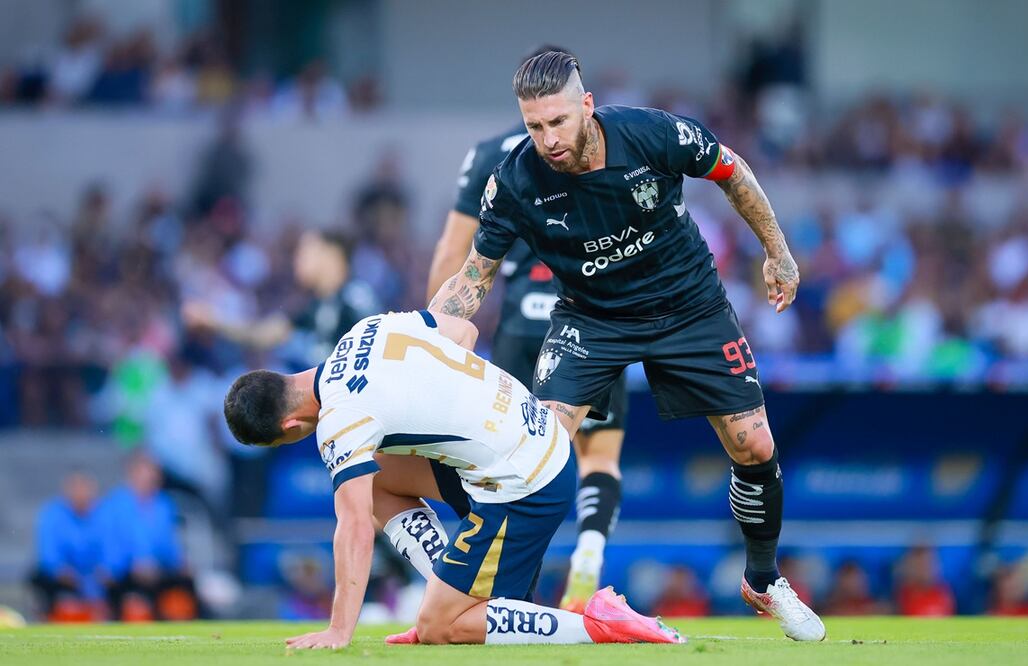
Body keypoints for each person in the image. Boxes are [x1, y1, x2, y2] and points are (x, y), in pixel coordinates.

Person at [428, 51, 824, 641]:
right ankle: (506, 597)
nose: (548, 139)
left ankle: (763, 580)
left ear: (586, 105)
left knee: (753, 442)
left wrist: (778, 251)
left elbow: (732, 171)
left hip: (689, 305)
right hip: (592, 320)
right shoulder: (515, 180)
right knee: (537, 455)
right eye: (535, 126)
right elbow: (474, 277)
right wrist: (418, 339)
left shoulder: (651, 132)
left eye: (558, 121)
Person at [223, 309, 683, 648]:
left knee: (440, 628)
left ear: (286, 429)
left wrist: (339, 630)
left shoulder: (339, 421)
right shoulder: (365, 331)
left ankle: (597, 622)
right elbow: (464, 329)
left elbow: (356, 526)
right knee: (377, 476)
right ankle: (449, 590)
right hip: (531, 437)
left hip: (525, 485)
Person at [428, 45, 626, 612]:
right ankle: (588, 554)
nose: (548, 134)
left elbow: (454, 253)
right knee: (600, 457)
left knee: (517, 465)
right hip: (594, 322)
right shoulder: (608, 144)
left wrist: (433, 335)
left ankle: (511, 589)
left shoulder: (493, 156)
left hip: (520, 319)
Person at [183, 229, 380, 367]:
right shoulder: (312, 309)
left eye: (304, 252)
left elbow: (379, 349)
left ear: (331, 255)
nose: (297, 260)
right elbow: (260, 334)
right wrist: (214, 321)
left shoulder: (356, 298)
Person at [96, 452, 199, 621]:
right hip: (125, 572)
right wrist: (130, 563)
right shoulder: (114, 505)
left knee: (187, 583)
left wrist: (179, 562)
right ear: (132, 473)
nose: (150, 476)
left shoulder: (164, 504)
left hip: (157, 570)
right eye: (145, 471)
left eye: (153, 471)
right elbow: (109, 544)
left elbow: (168, 544)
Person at [29, 471, 106, 621]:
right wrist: (60, 569)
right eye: (76, 488)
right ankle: (47, 615)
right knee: (39, 577)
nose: (80, 493)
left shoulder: (103, 514)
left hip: (93, 575)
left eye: (84, 488)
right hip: (62, 575)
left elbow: (111, 549)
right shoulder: (52, 513)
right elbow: (47, 553)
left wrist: (105, 569)